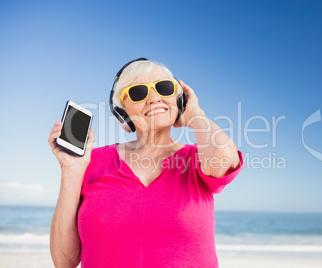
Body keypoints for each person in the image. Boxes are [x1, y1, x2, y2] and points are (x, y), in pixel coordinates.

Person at [48, 58, 243, 267]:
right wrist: (71, 170)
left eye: (164, 88)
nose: (154, 98)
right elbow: (64, 261)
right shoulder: (89, 162)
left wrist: (195, 114)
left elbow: (223, 157)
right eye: (138, 92)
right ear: (122, 113)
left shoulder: (198, 159)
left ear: (179, 101)